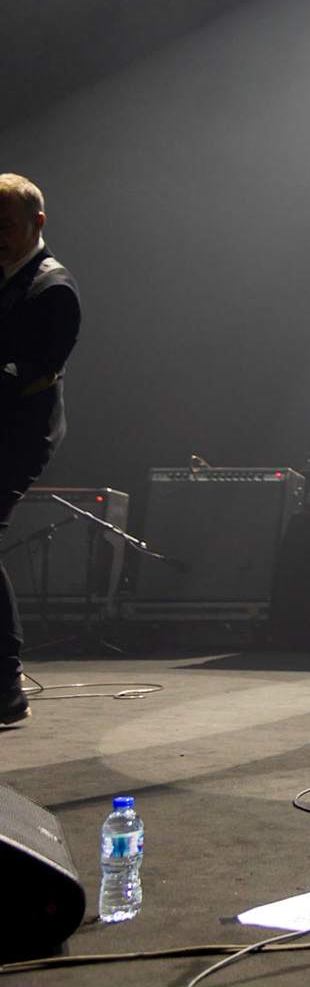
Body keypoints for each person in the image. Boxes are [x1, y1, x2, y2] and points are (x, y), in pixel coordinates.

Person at [0, 175, 82, 725]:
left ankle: (6, 684)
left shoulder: (53, 289)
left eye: (5, 227)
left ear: (38, 224)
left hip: (21, 435)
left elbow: (36, 371)